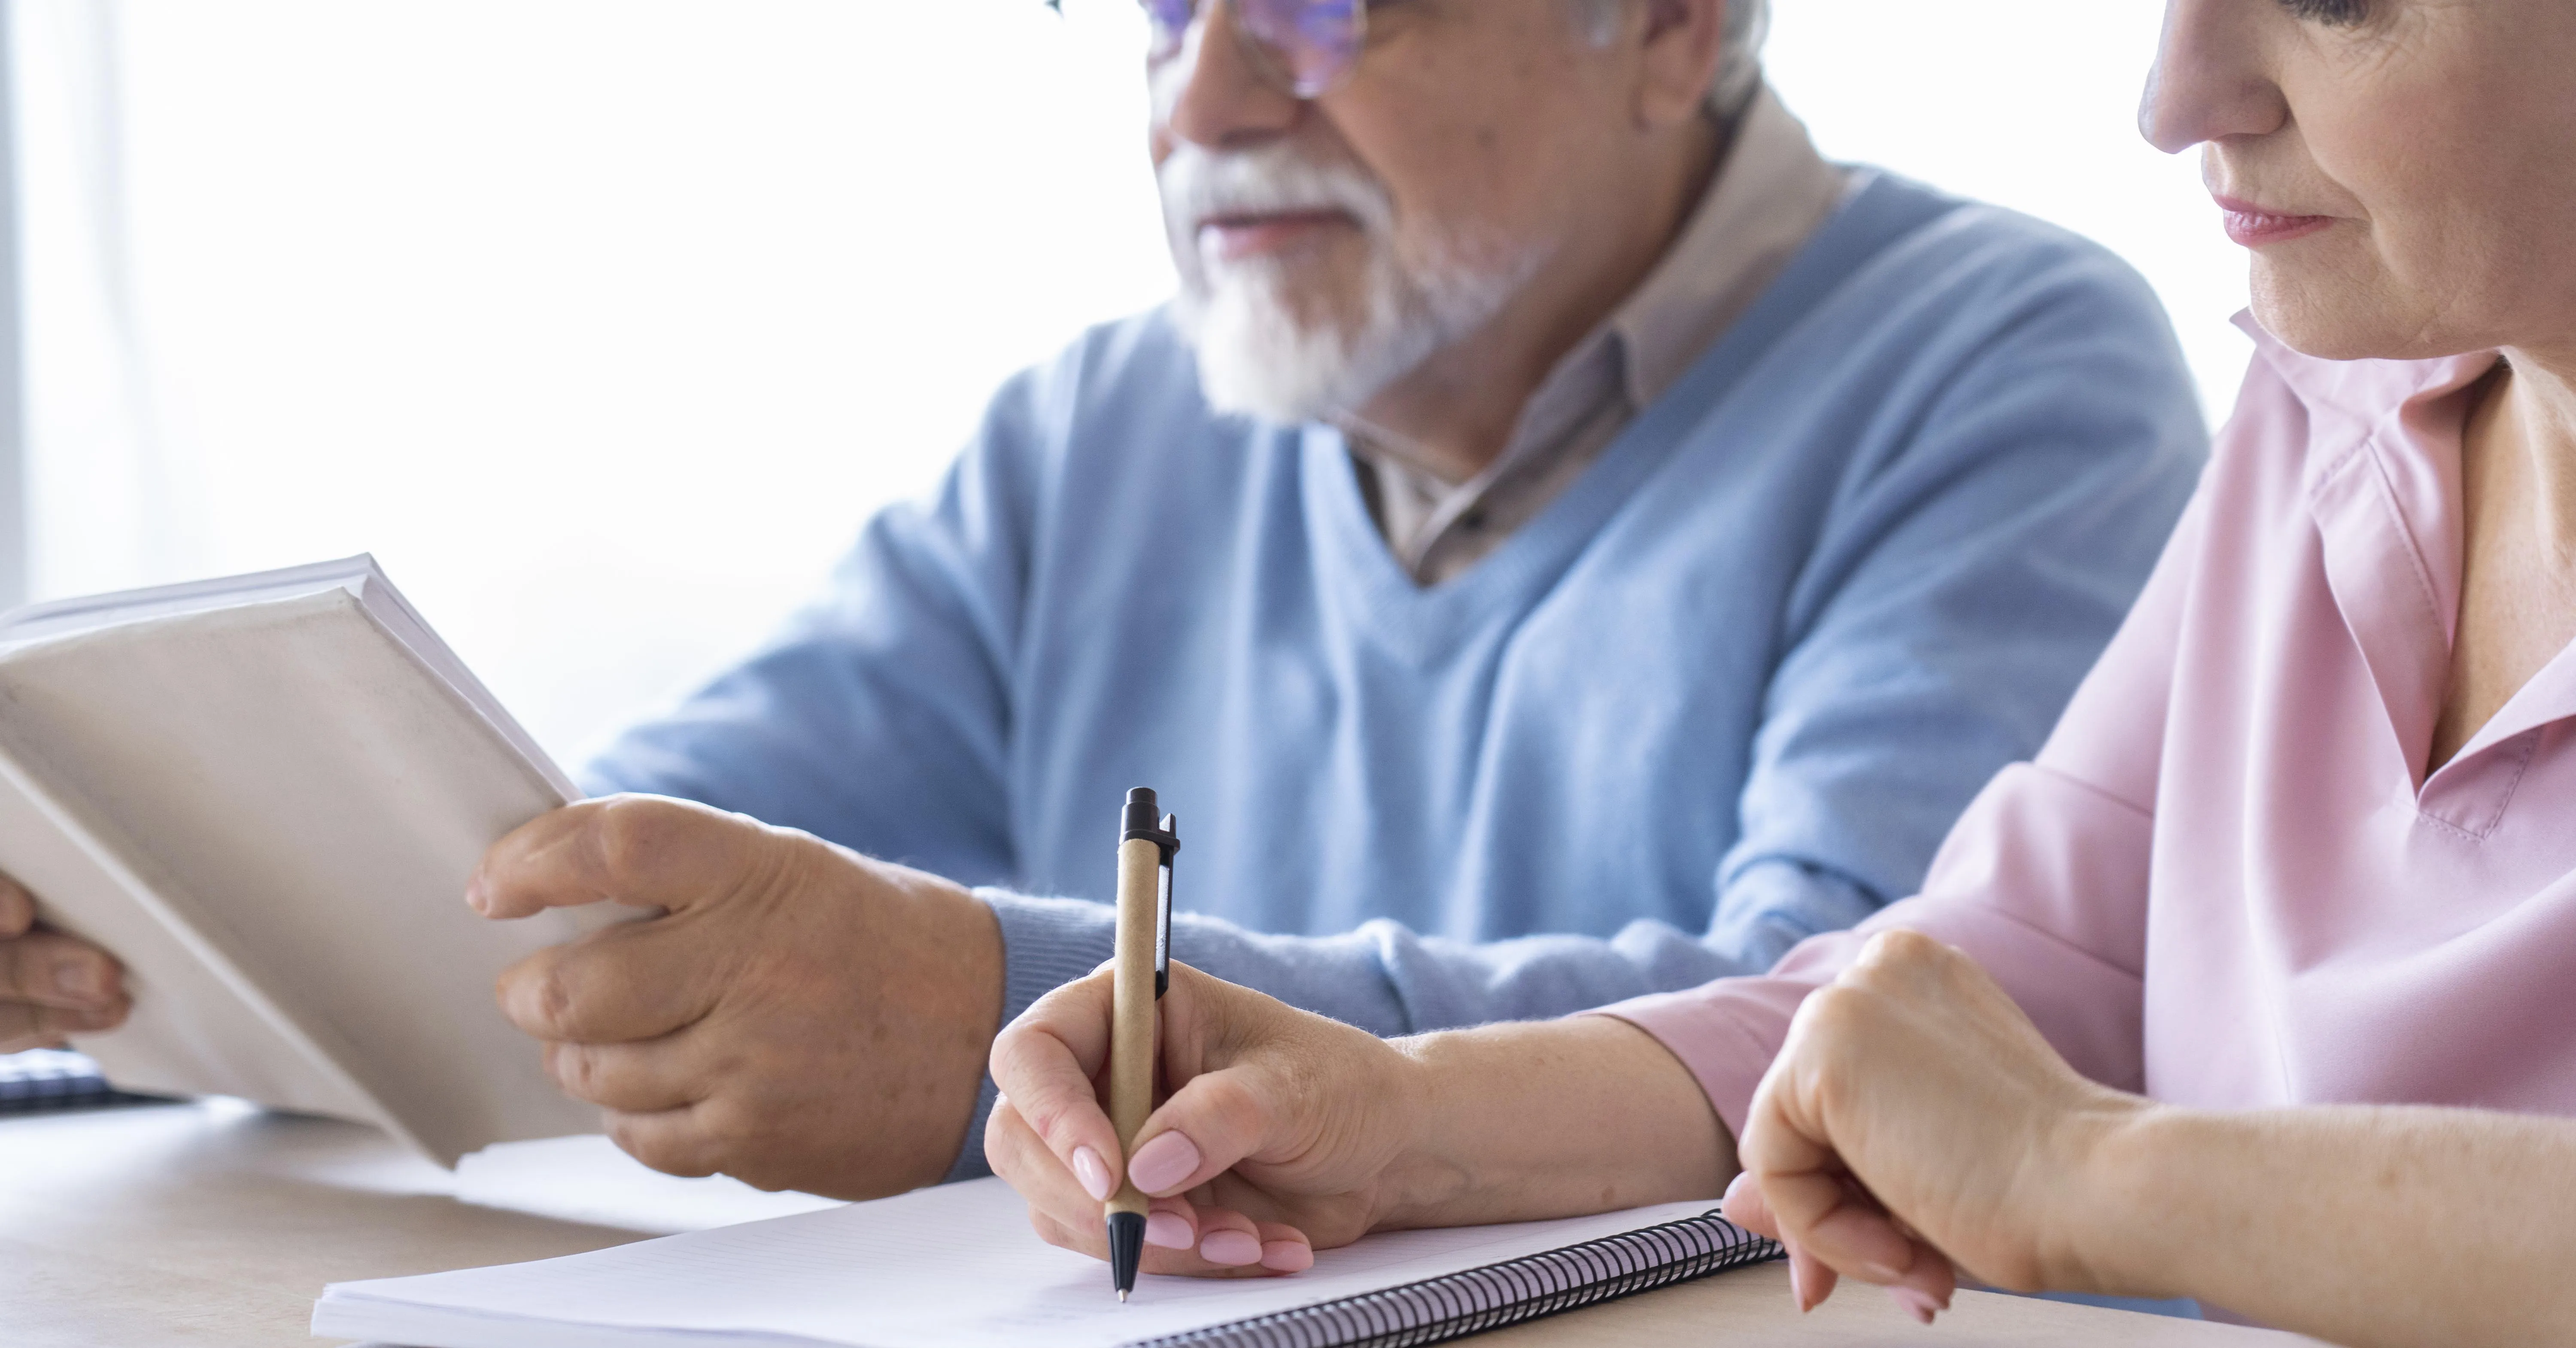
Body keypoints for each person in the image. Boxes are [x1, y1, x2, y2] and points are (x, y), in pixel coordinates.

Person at [0, 0, 2207, 1203]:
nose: (1207, 89)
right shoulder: (1100, 427)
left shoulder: (2016, 368)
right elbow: (632, 869)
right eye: (1152, 2)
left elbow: (1850, 1029)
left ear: (1671, 22)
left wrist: (982, 1008)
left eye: (1326, 4)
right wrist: (158, 923)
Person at [982, 0, 2576, 1340]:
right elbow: (1973, 988)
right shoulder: (2332, 409)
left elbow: (2026, 1125)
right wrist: (1404, 1122)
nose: (2172, 101)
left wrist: (2090, 1176)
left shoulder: (1994, 354)